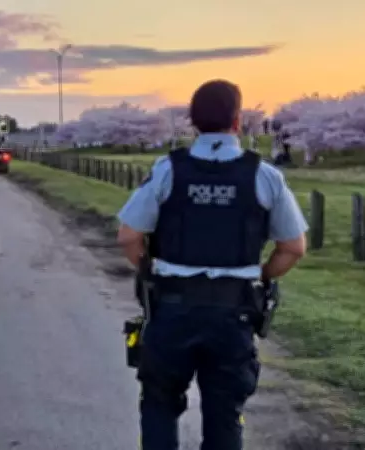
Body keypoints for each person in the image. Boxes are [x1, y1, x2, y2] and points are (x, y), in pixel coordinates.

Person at [116, 79, 309, 450]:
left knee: (159, 403)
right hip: (233, 312)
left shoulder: (168, 170)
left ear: (193, 122)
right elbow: (293, 247)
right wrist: (261, 276)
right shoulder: (265, 176)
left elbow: (128, 236)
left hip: (171, 308)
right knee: (224, 416)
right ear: (238, 121)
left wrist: (147, 271)